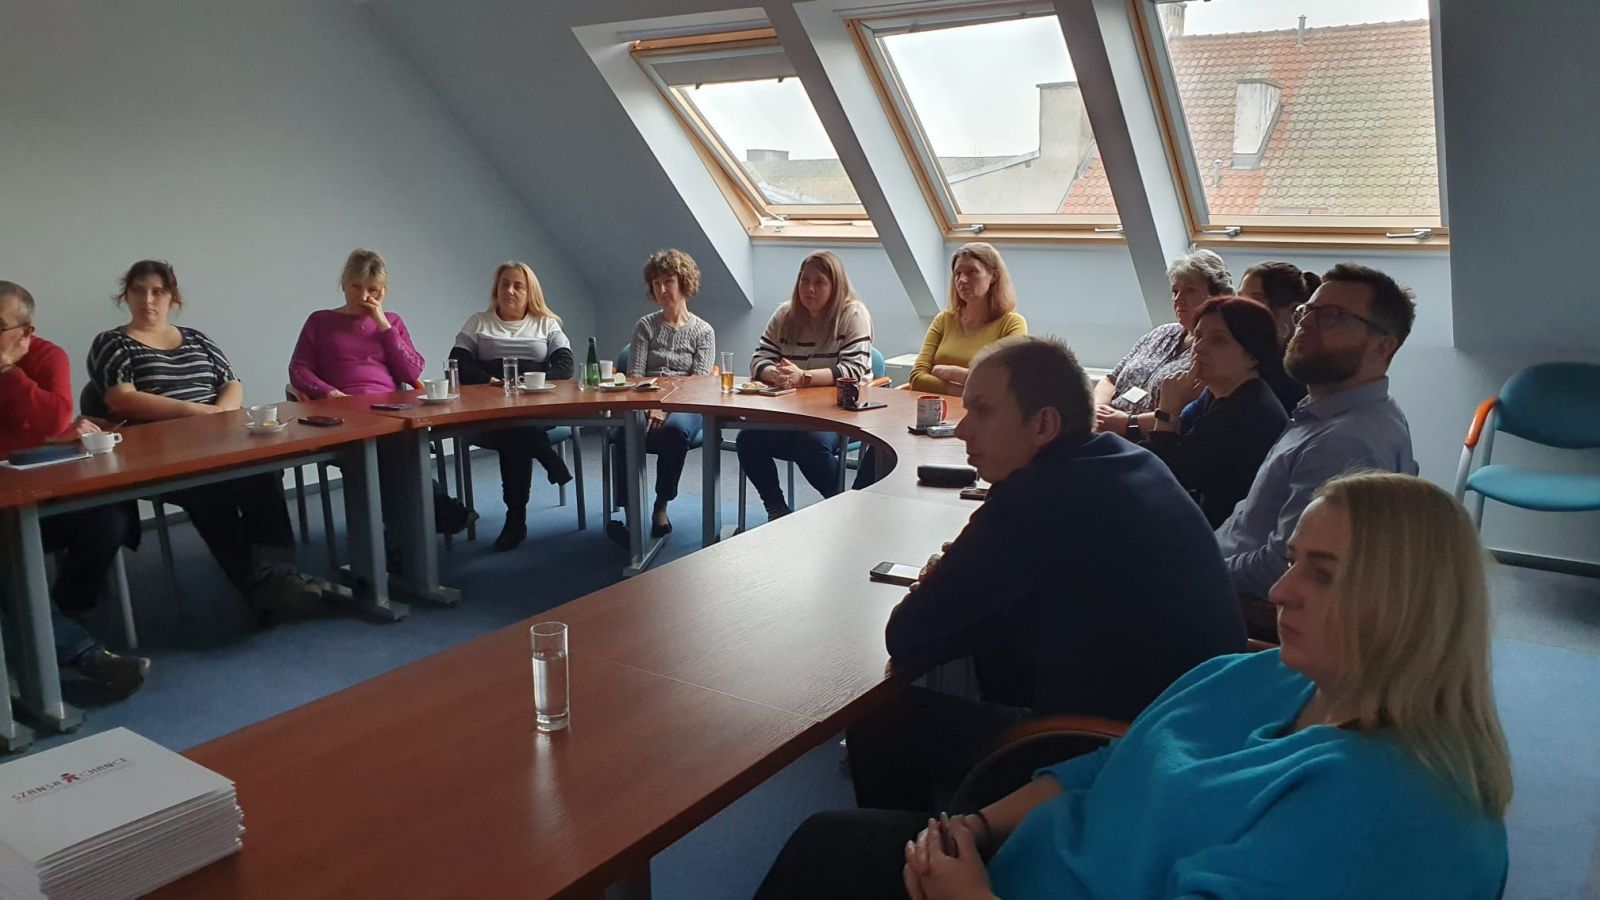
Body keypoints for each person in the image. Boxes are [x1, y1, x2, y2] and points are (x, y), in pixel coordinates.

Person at [758, 473, 1512, 900]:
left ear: (1407, 603)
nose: (1281, 592)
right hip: (1017, 863)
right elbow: (1109, 764)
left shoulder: (1379, 809)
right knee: (827, 843)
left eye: (1324, 574)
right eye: (1292, 562)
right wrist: (979, 828)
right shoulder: (1267, 674)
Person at [845, 336, 1244, 814]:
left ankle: (917, 854)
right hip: (1202, 736)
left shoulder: (1033, 499)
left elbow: (907, 635)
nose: (962, 429)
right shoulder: (1128, 459)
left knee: (878, 718)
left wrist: (949, 575)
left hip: (1114, 758)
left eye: (982, 412)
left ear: (1044, 425)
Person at [87, 260, 326, 624]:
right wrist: (199, 413)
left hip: (222, 440)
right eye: (138, 291)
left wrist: (222, 414)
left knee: (263, 474)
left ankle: (276, 578)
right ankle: (265, 589)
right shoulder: (113, 343)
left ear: (173, 298)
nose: (148, 300)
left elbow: (231, 383)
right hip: (163, 455)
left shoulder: (197, 338)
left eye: (158, 292)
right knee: (210, 492)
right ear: (126, 296)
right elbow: (121, 398)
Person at [1216, 263, 1418, 639]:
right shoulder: (1341, 412)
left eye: (1332, 316)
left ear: (1382, 346)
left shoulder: (1343, 443)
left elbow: (1283, 569)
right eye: (1307, 311)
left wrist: (1198, 567)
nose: (1306, 324)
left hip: (1244, 611)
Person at [0, 281, 149, 697]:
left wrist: (8, 372)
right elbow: (46, 433)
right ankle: (81, 652)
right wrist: (39, 438)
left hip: (46, 491)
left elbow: (52, 422)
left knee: (109, 519)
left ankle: (59, 615)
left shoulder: (48, 356)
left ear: (26, 332)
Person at [287, 249, 473, 536]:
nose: (363, 296)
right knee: (388, 451)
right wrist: (330, 393)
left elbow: (411, 371)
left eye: (372, 290)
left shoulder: (392, 322)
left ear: (383, 291)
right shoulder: (320, 321)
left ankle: (398, 539)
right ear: (344, 284)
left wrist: (383, 324)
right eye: (356, 287)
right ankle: (436, 513)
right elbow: (299, 369)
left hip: (389, 408)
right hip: (342, 410)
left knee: (396, 446)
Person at [448, 261, 574, 551]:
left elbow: (565, 365)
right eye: (505, 284)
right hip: (491, 410)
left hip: (536, 407)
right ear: (496, 289)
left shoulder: (546, 323)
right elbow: (458, 362)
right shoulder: (479, 322)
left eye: (518, 286)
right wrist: (491, 381)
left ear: (530, 293)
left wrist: (532, 382)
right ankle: (547, 458)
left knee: (517, 430)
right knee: (515, 430)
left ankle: (516, 518)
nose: (510, 290)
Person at [738, 250, 873, 520]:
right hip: (791, 413)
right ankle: (777, 509)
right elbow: (759, 359)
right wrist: (773, 374)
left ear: (835, 286)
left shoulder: (853, 313)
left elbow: (853, 369)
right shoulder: (785, 314)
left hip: (839, 414)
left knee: (811, 446)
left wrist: (804, 377)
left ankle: (844, 509)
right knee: (747, 440)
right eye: (804, 280)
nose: (809, 289)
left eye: (819, 282)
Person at [1144, 296, 1290, 527]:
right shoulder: (1218, 393)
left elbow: (1162, 479)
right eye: (1199, 336)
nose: (1199, 348)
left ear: (1253, 355)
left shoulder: (1245, 412)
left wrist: (1168, 410)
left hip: (1222, 534)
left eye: (1218, 340)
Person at [605, 249, 715, 545]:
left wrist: (665, 408)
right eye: (656, 284)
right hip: (646, 399)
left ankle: (661, 506)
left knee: (675, 431)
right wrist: (651, 406)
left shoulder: (704, 332)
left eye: (668, 282)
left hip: (687, 405)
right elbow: (635, 377)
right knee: (625, 430)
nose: (662, 289)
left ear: (684, 283)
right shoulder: (645, 326)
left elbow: (697, 384)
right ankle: (631, 518)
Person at [1093, 249, 1230, 440]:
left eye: (1190, 290)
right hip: (1103, 429)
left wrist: (1127, 423)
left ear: (1217, 295)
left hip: (1145, 440)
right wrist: (1098, 410)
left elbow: (1187, 415)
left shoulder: (1215, 352)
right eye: (1175, 291)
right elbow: (1111, 379)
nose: (1178, 299)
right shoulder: (1162, 333)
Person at [907, 243, 1027, 396]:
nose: (962, 280)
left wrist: (951, 373)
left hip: (983, 411)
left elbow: (1005, 384)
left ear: (993, 277)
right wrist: (966, 391)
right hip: (940, 407)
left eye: (972, 272)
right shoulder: (943, 319)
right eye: (958, 273)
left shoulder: (1012, 323)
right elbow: (917, 378)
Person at [1237, 260, 1321, 411]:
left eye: (1255, 299)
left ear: (1293, 311)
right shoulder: (1241, 354)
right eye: (1239, 297)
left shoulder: (1298, 373)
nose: (1238, 307)